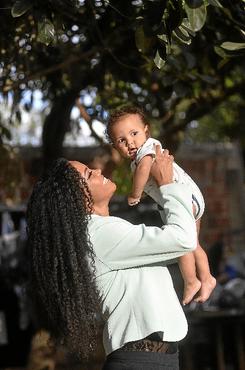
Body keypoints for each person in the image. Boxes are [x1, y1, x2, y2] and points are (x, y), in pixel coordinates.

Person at [26, 147, 197, 369]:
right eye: (88, 174)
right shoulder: (99, 234)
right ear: (77, 198)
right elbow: (182, 239)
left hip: (153, 359)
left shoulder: (102, 232)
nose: (97, 170)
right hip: (141, 361)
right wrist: (167, 185)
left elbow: (175, 246)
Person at [106, 106, 216, 305]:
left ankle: (191, 281)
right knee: (192, 243)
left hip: (183, 197)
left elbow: (145, 169)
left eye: (134, 133)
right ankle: (206, 279)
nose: (130, 142)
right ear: (115, 147)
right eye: (121, 140)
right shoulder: (137, 159)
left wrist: (135, 193)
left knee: (180, 243)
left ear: (146, 131)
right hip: (182, 198)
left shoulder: (148, 149)